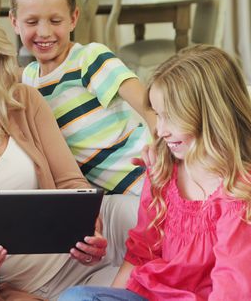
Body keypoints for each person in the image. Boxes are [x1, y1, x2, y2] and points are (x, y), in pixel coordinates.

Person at [0, 0, 130, 301]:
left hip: (84, 251)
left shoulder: (22, 103)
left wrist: (88, 224)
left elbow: (71, 181)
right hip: (31, 287)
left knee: (163, 221)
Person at [59, 45, 251, 301]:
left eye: (171, 117)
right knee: (78, 297)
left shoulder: (238, 188)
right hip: (151, 294)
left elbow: (232, 285)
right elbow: (140, 253)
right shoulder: (163, 170)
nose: (160, 130)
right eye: (158, 116)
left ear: (210, 116)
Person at [9, 0, 155, 197]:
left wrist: (160, 146)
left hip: (150, 177)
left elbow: (149, 107)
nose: (44, 32)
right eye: (32, 22)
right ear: (14, 22)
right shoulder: (28, 81)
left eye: (55, 21)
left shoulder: (89, 58)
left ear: (74, 18)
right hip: (114, 197)